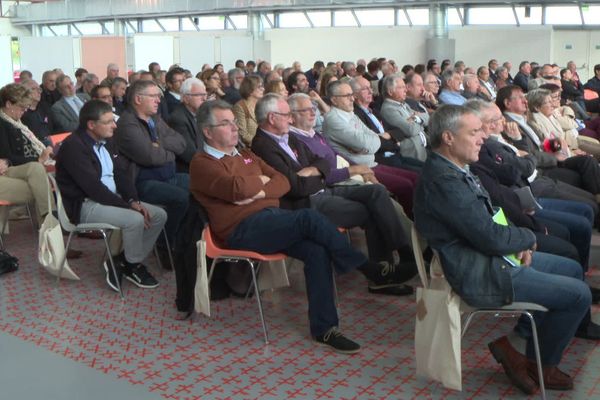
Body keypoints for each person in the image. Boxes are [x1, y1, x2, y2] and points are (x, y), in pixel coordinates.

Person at [189, 99, 410, 353]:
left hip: (271, 218)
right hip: (241, 231)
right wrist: (258, 185)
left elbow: (282, 182)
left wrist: (259, 192)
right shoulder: (202, 163)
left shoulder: (245, 154)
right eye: (225, 123)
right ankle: (368, 268)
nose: (235, 127)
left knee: (317, 250)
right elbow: (237, 189)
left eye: (233, 122)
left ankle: (324, 329)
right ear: (208, 132)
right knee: (309, 217)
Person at [414, 104, 590, 395]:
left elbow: (490, 221)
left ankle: (517, 346)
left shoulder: (453, 168)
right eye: (473, 132)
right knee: (578, 295)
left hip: (490, 256)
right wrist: (525, 239)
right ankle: (539, 364)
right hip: (476, 270)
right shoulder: (444, 181)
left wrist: (515, 244)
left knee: (571, 268)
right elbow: (489, 237)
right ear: (448, 137)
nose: (482, 137)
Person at [251, 93, 416, 295]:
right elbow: (295, 187)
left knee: (376, 192)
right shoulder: (262, 146)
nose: (290, 118)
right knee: (372, 211)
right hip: (306, 202)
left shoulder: (289, 136)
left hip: (323, 189)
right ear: (272, 118)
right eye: (287, 114)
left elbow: (322, 162)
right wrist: (317, 174)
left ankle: (403, 252)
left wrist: (313, 171)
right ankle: (383, 275)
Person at [55, 100, 166, 291]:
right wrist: (128, 206)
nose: (115, 125)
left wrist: (133, 200)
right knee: (135, 220)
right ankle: (133, 265)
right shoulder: (74, 146)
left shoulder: (106, 141)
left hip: (109, 200)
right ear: (91, 125)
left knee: (158, 215)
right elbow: (93, 188)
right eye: (108, 122)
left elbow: (121, 175)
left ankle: (121, 261)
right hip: (85, 205)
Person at [114, 79, 188, 255]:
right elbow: (149, 157)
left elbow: (181, 143)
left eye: (158, 96)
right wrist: (168, 153)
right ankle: (164, 245)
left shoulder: (155, 118)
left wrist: (157, 143)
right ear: (138, 99)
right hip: (142, 181)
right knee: (182, 198)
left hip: (169, 176)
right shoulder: (127, 123)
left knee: (203, 186)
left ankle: (184, 237)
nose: (158, 100)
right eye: (153, 96)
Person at [0, 83, 54, 226]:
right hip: (11, 168)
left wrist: (44, 150)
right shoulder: (3, 124)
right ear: (8, 104)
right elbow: (7, 157)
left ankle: (49, 222)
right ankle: (51, 220)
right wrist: (38, 158)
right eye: (21, 108)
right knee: (38, 172)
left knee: (39, 174)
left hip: (19, 167)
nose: (24, 111)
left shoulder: (18, 123)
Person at [166, 78, 207, 172]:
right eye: (199, 95)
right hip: (191, 170)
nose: (204, 98)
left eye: (205, 94)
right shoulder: (178, 119)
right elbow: (189, 154)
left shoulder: (203, 114)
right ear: (186, 98)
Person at [232, 75, 264, 147]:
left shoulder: (262, 104)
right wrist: (261, 143)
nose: (263, 89)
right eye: (259, 87)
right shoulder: (240, 107)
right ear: (250, 89)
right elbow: (242, 134)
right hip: (251, 147)